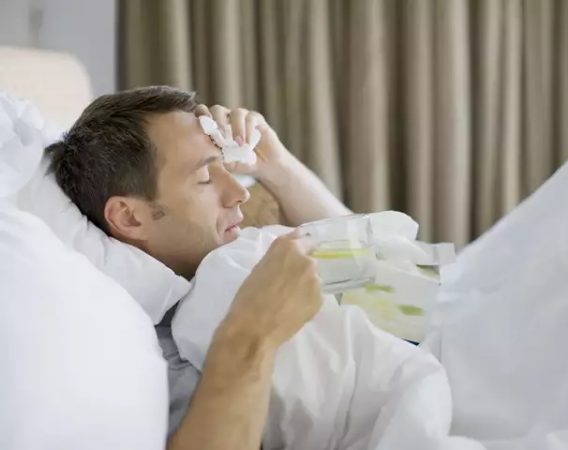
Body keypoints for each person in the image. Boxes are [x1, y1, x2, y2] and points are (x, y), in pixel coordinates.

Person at [47, 85, 352, 450]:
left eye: (226, 167)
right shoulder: (156, 356)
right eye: (206, 178)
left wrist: (278, 167)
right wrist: (254, 333)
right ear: (129, 217)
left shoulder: (241, 250)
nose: (240, 193)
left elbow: (378, 249)